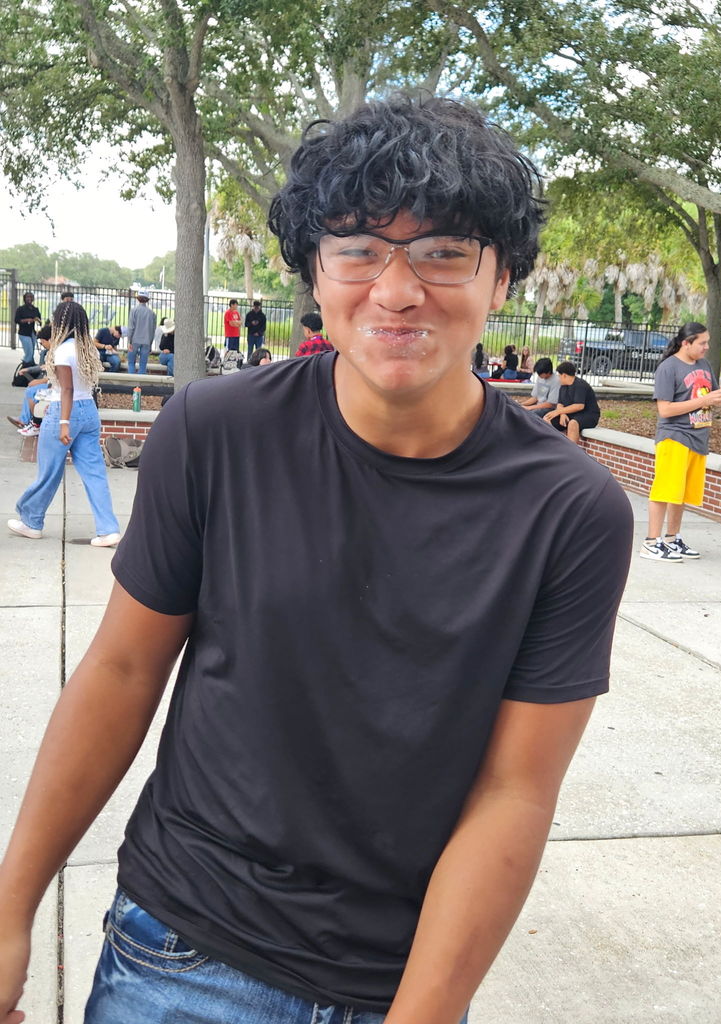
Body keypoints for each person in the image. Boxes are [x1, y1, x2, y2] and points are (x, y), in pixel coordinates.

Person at [0, 96, 633, 1024]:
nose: (397, 290)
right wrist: (11, 909)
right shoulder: (216, 432)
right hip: (182, 952)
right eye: (359, 249)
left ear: (502, 279)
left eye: (444, 252)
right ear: (314, 272)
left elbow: (515, 790)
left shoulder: (571, 511)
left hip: (399, 976)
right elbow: (123, 671)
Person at [7, 301, 121, 547]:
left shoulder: (62, 351)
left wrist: (64, 422)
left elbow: (67, 389)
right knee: (94, 473)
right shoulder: (88, 349)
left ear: (60, 322)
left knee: (49, 472)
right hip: (88, 411)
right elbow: (77, 387)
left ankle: (31, 522)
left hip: (65, 411)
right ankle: (108, 530)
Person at [640, 322, 721, 562]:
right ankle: (650, 543)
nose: (707, 347)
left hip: (698, 438)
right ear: (686, 343)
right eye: (702, 342)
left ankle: (672, 539)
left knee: (679, 493)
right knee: (664, 490)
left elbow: (712, 399)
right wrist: (704, 401)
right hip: (674, 437)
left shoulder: (704, 365)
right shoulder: (668, 368)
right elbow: (665, 410)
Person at [543, 361, 601, 442]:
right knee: (547, 419)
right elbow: (560, 404)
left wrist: (558, 412)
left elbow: (579, 406)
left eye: (559, 376)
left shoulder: (580, 385)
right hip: (572, 414)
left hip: (588, 415)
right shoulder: (563, 386)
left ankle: (572, 450)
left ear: (564, 375)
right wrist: (562, 414)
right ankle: (554, 446)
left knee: (572, 423)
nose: (558, 379)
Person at [126, 290, 157, 373]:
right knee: (143, 364)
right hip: (146, 340)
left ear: (138, 298)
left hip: (134, 340)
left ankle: (131, 378)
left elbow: (131, 327)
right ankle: (141, 379)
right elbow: (153, 330)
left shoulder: (134, 310)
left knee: (131, 362)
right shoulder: (152, 313)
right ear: (147, 300)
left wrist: (129, 341)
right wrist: (150, 343)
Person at [14, 292, 42, 365]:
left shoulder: (35, 309)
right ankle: (25, 365)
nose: (29, 298)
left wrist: (38, 320)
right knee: (29, 352)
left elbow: (40, 321)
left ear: (33, 299)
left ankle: (30, 365)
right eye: (27, 297)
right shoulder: (20, 309)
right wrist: (26, 320)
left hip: (32, 333)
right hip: (24, 333)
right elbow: (16, 320)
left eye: (31, 297)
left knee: (31, 352)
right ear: (24, 299)